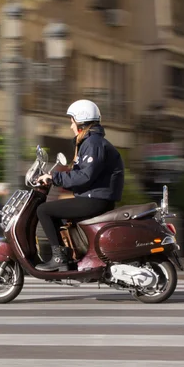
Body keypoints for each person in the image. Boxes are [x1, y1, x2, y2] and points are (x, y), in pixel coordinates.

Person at [35, 99, 125, 272]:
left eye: (72, 121)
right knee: (57, 211)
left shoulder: (93, 143)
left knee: (44, 210)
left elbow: (85, 176)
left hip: (95, 200)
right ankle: (70, 256)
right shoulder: (90, 142)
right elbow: (82, 174)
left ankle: (59, 257)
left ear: (81, 121)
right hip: (94, 197)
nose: (71, 126)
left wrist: (54, 177)